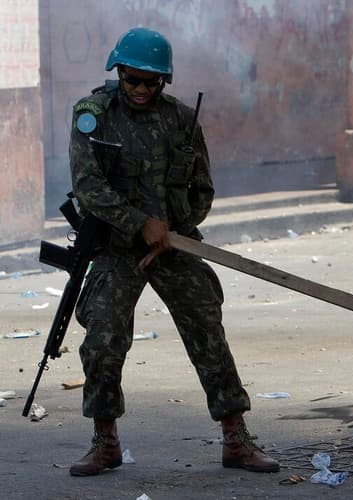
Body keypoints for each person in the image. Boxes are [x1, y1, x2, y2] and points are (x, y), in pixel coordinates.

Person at [67, 27, 279, 476]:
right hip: (116, 248)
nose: (141, 89)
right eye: (133, 80)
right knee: (103, 340)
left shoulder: (181, 119)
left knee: (207, 330)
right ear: (118, 72)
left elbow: (202, 187)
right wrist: (139, 225)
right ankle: (105, 442)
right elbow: (88, 187)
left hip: (172, 246)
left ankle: (236, 438)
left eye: (152, 82)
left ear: (163, 82)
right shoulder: (93, 116)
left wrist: (176, 231)